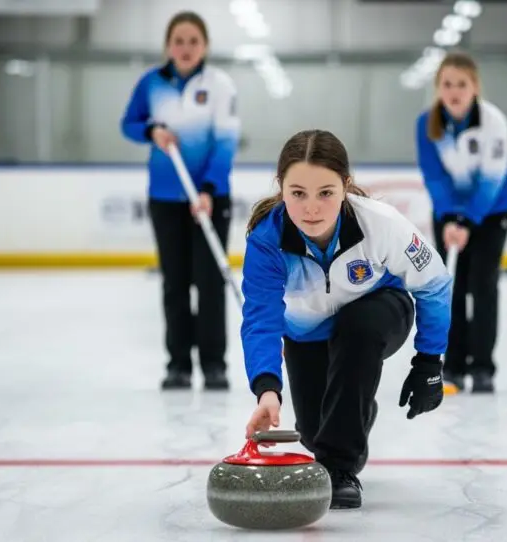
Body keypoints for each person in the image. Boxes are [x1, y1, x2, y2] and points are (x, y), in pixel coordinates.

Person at [239, 129, 453, 510]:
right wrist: (267, 389)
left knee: (359, 330)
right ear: (281, 188)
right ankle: (355, 411)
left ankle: (339, 470)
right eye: (298, 193)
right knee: (314, 433)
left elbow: (434, 285)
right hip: (307, 333)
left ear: (346, 186)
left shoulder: (381, 223)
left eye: (326, 193)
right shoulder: (266, 241)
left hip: (380, 311)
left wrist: (429, 362)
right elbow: (261, 319)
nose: (311, 208)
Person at [120, 11, 241, 391]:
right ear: (168, 46)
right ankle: (178, 365)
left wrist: (207, 189)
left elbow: (225, 143)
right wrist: (151, 130)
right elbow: (129, 123)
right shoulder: (151, 84)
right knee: (174, 283)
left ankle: (214, 365)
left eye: (193, 41)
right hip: (165, 199)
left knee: (209, 283)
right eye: (178, 41)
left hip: (210, 198)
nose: (185, 48)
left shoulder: (220, 85)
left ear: (204, 45)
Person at [415, 51, 507, 395]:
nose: (454, 91)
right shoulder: (427, 124)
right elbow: (435, 178)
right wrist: (451, 218)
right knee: (450, 289)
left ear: (474, 88)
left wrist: (467, 221)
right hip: (447, 216)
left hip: (491, 214)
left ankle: (483, 367)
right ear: (438, 88)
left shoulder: (494, 123)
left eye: (461, 84)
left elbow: (492, 181)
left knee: (482, 287)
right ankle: (453, 366)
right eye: (447, 84)